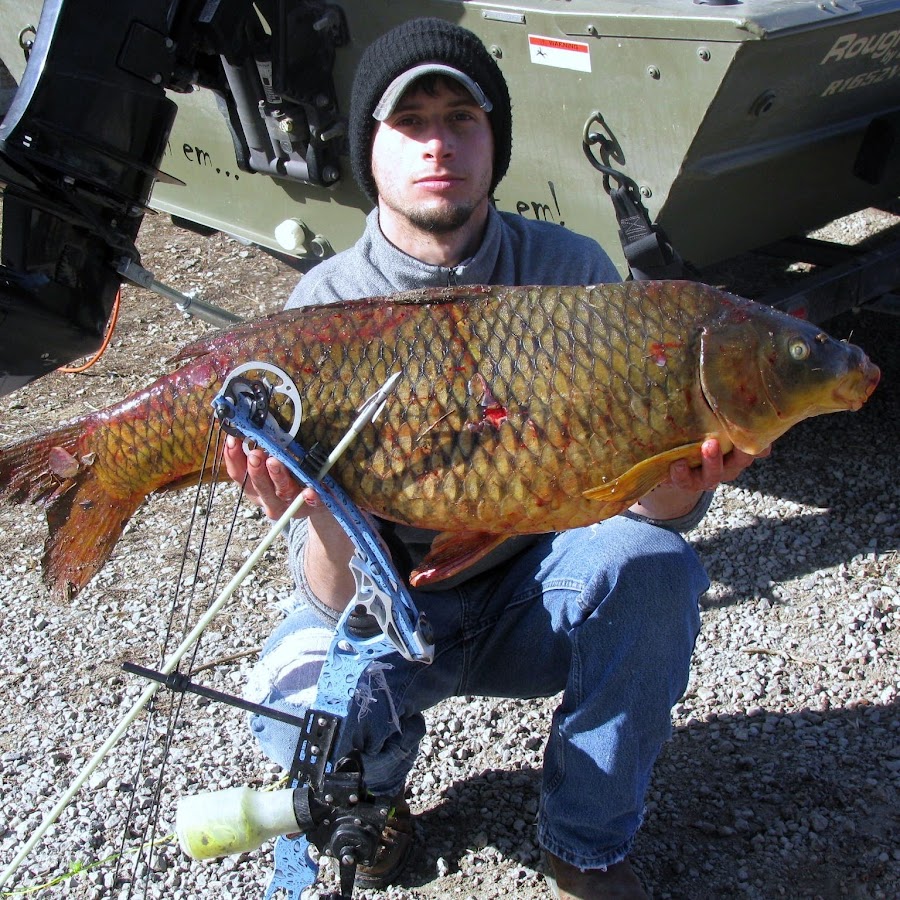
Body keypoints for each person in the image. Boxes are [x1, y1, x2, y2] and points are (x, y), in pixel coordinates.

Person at [224, 17, 766, 899]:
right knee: (293, 707)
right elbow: (328, 600)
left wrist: (677, 488)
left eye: (461, 119)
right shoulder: (324, 305)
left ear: (495, 142)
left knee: (656, 567)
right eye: (410, 122)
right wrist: (315, 507)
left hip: (535, 589)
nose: (438, 144)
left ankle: (585, 844)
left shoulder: (571, 271)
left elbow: (642, 512)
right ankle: (378, 802)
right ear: (370, 151)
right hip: (388, 610)